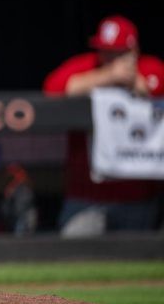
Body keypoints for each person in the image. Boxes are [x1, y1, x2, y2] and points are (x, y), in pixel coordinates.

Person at [43, 15, 164, 236]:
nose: (109, 58)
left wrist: (139, 85)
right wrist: (107, 76)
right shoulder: (87, 66)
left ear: (133, 51)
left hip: (137, 196)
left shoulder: (150, 67)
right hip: (87, 197)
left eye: (117, 52)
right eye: (105, 51)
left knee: (139, 262)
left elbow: (156, 84)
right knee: (72, 254)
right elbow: (52, 89)